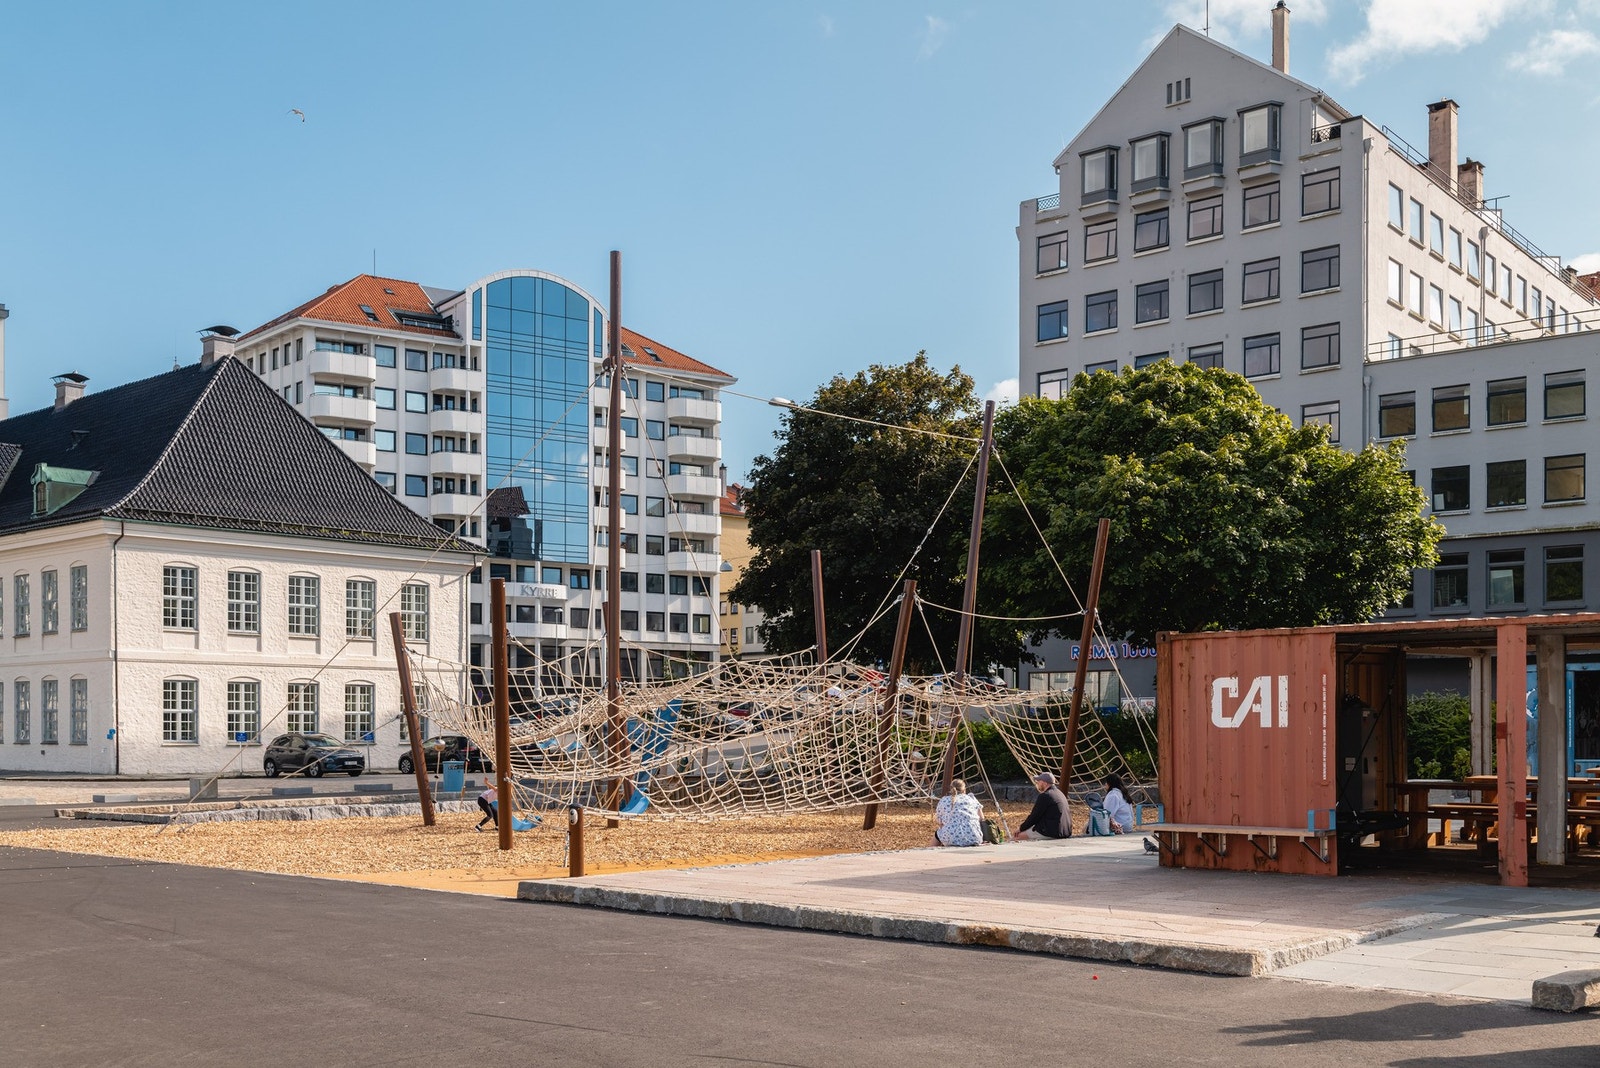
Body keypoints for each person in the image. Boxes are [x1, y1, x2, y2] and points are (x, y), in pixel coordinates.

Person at [1016, 772, 1071, 840]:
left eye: (1039, 781)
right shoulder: (1060, 793)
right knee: (1029, 830)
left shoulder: (1045, 796)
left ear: (1045, 783)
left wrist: (1020, 828)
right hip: (1065, 831)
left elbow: (1034, 817)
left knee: (1017, 837)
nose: (1037, 783)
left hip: (1052, 833)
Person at [932, 778, 984, 847]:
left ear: (950, 789)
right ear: (964, 790)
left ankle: (930, 851)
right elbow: (981, 818)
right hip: (974, 837)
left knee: (938, 833)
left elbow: (939, 821)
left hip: (950, 838)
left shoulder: (944, 800)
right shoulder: (971, 798)